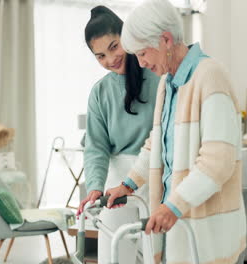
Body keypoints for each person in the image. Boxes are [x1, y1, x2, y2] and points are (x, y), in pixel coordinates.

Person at [106, 0, 247, 263]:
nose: (141, 63)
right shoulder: (168, 84)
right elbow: (155, 144)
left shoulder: (210, 76)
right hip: (177, 226)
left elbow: (219, 162)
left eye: (143, 53)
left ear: (166, 40)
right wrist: (128, 184)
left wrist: (173, 206)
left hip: (206, 232)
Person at [76, 6, 160, 264]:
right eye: (100, 55)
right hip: (116, 184)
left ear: (127, 37)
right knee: (114, 255)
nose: (110, 59)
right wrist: (94, 187)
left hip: (154, 174)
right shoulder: (100, 93)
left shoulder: (157, 77)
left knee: (155, 253)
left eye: (114, 47)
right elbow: (96, 147)